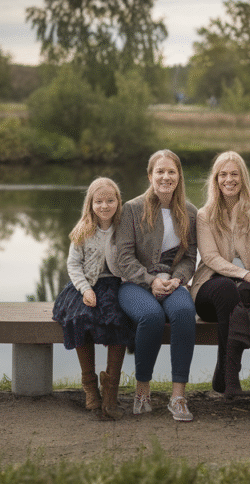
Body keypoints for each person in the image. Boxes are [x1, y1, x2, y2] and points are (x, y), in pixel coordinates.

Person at [110, 149, 198, 421]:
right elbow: (124, 257)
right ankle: (142, 391)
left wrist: (178, 279)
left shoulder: (190, 212)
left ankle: (178, 397)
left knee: (184, 313)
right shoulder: (132, 210)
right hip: (135, 283)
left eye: (171, 171)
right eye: (159, 171)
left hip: (172, 283)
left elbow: (191, 256)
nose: (165, 177)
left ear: (179, 176)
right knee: (151, 316)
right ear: (150, 175)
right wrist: (150, 281)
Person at [193, 151, 250, 397]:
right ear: (215, 179)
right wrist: (245, 274)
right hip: (210, 289)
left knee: (247, 294)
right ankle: (230, 373)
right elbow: (210, 258)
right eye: (223, 174)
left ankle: (225, 376)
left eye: (234, 174)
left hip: (247, 287)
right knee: (227, 289)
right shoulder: (204, 214)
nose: (228, 180)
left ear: (243, 178)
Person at [51, 177, 133, 420]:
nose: (105, 206)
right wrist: (85, 289)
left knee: (119, 319)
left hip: (117, 285)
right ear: (91, 203)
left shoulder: (125, 229)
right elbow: (73, 265)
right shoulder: (83, 230)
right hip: (86, 284)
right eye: (99, 201)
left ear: (118, 202)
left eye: (110, 200)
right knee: (80, 318)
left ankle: (111, 389)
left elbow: (132, 260)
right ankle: (89, 385)